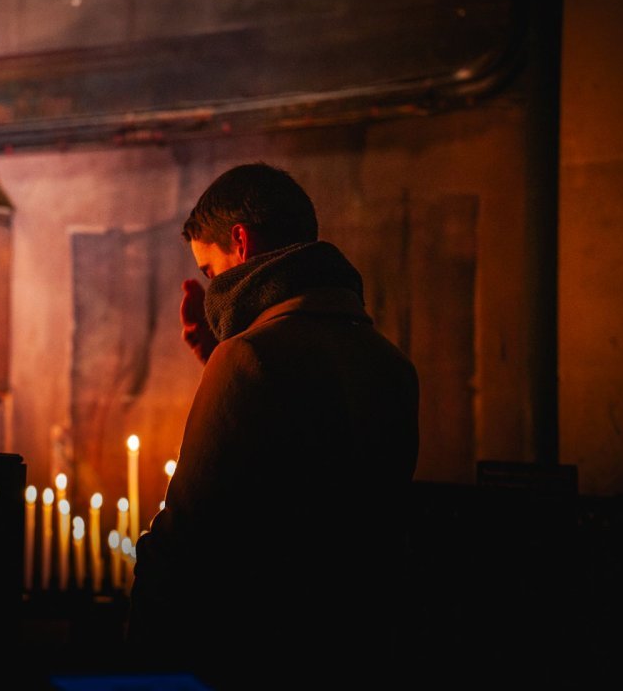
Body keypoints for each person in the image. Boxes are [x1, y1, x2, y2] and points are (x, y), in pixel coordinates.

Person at [129, 163, 419, 686]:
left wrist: (137, 652)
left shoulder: (250, 359)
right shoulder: (391, 364)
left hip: (256, 658)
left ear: (240, 242)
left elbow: (186, 538)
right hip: (364, 655)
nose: (211, 287)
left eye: (210, 272)